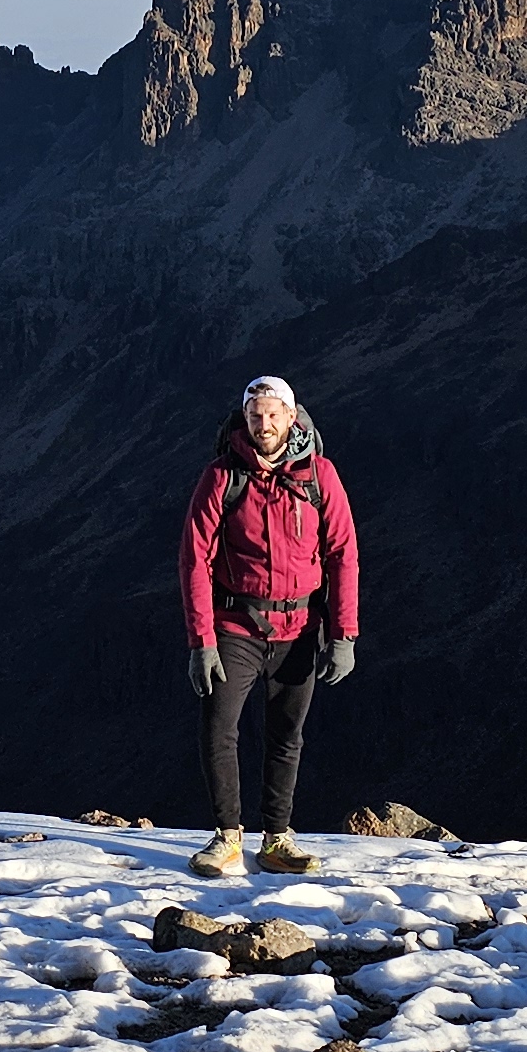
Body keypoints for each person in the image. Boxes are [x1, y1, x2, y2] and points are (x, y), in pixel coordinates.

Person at [178, 372, 359, 880]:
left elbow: (343, 554)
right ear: (245, 419)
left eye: (273, 415)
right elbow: (195, 560)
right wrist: (201, 642)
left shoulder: (320, 475)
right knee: (219, 729)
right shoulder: (222, 476)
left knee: (287, 734)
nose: (265, 424)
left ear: (291, 417)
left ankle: (277, 839)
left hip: (300, 626)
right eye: (256, 416)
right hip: (236, 624)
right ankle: (228, 839)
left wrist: (344, 634)